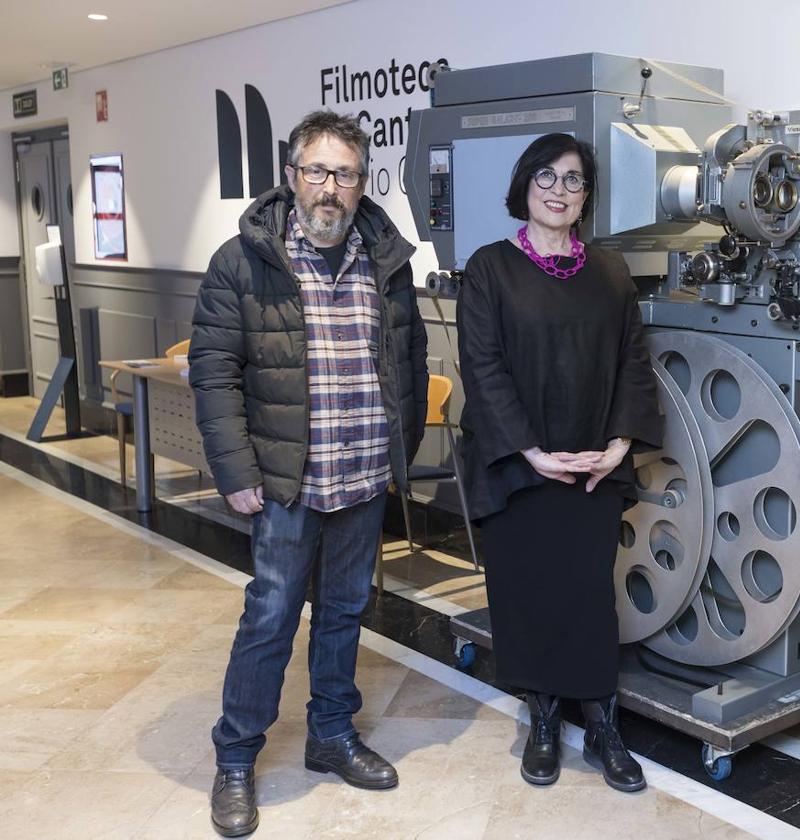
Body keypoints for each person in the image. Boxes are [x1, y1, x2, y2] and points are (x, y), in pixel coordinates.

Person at [190, 110, 429, 836]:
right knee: (268, 620)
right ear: (292, 177)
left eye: (345, 174)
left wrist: (399, 453)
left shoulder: (386, 261)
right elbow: (214, 371)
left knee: (344, 612)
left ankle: (331, 733)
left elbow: (409, 363)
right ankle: (236, 757)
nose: (330, 187)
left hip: (360, 479)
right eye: (317, 171)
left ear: (362, 183)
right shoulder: (244, 260)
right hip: (284, 483)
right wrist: (235, 469)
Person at [457, 133, 663, 792]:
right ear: (524, 185)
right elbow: (483, 368)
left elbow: (634, 362)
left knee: (588, 597)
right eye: (546, 176)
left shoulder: (609, 274)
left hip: (593, 468)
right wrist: (532, 453)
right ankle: (543, 718)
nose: (558, 189)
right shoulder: (490, 267)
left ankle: (602, 723)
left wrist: (619, 448)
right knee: (526, 594)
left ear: (585, 197)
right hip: (519, 466)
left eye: (573, 180)